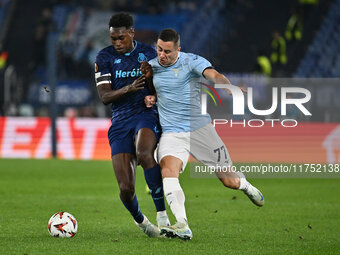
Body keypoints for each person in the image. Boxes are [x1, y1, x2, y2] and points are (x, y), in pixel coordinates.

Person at [142, 28, 264, 240]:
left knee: (229, 181)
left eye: (167, 52)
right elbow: (151, 90)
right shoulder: (152, 67)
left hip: (200, 130)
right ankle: (182, 224)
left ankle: (246, 186)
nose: (162, 55)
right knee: (168, 172)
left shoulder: (191, 61)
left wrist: (227, 86)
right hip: (171, 133)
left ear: (178, 50)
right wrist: (150, 98)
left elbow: (213, 75)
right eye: (159, 49)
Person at [94, 13, 169, 238]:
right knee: (126, 189)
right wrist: (129, 88)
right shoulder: (104, 57)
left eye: (121, 38)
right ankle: (141, 220)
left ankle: (163, 217)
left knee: (145, 153)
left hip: (145, 114)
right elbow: (105, 96)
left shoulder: (148, 53)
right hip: (119, 121)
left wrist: (152, 92)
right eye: (113, 38)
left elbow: (162, 88)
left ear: (131, 33)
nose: (117, 43)